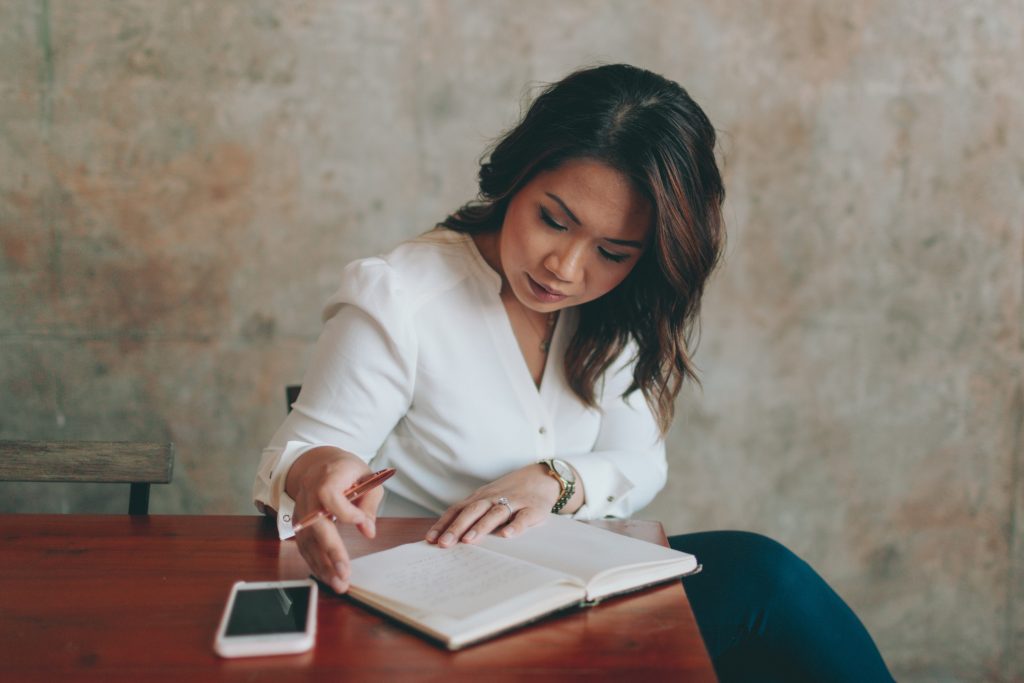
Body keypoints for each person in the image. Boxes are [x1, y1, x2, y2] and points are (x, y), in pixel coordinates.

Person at [254, 63, 894, 682]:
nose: (565, 266)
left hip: (564, 593)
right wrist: (319, 470)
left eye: (612, 252)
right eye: (553, 220)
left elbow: (642, 463)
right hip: (435, 608)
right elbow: (307, 450)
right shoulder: (402, 295)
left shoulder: (612, 308)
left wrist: (551, 481)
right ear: (515, 178)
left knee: (765, 581)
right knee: (762, 587)